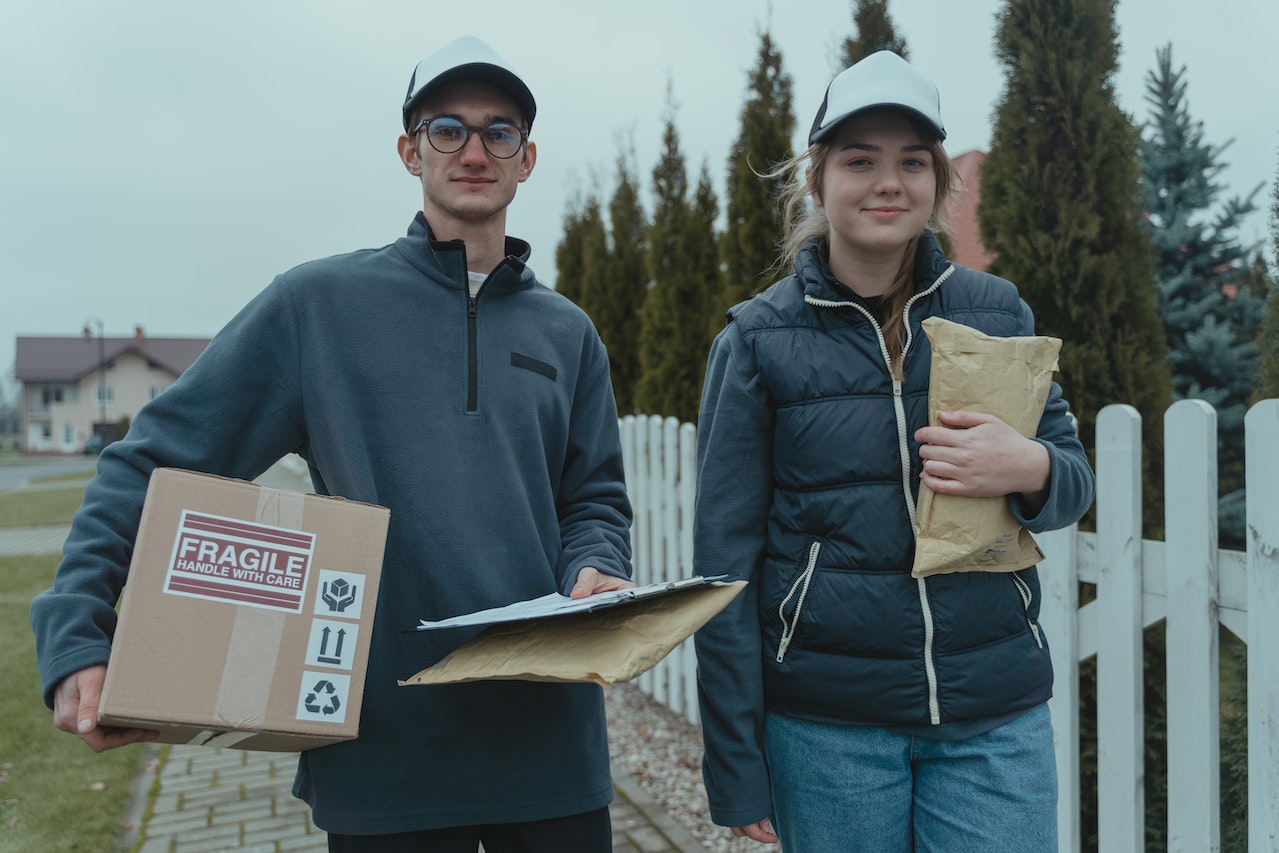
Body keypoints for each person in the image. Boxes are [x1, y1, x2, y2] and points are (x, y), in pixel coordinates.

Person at [30, 35, 634, 852]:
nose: (474, 149)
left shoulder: (568, 333)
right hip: (385, 755)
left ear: (526, 159)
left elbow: (592, 500)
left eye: (499, 131)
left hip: (549, 747)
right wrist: (77, 635)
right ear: (408, 151)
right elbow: (152, 460)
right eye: (446, 128)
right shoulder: (318, 307)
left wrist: (595, 566)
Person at [692, 50, 1095, 852]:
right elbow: (723, 569)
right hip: (828, 727)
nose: (888, 181)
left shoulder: (996, 311)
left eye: (912, 161)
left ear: (940, 182)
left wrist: (1031, 469)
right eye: (859, 159)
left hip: (993, 714)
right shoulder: (756, 342)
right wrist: (735, 760)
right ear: (816, 180)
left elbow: (1074, 479)